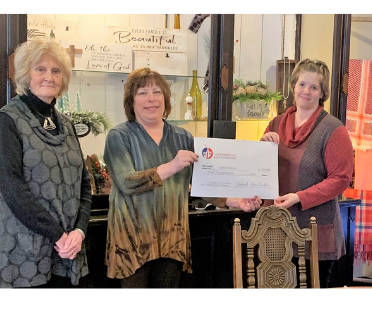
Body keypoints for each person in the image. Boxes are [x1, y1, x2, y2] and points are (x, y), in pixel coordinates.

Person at [103, 67, 261, 289]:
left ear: (166, 99)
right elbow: (126, 182)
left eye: (157, 92)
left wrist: (235, 201)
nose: (151, 99)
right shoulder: (119, 136)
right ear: (131, 101)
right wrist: (172, 166)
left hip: (172, 239)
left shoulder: (182, 137)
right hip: (133, 241)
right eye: (142, 93)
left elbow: (202, 183)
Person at [0, 38, 92, 289]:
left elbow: (84, 184)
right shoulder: (8, 120)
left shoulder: (67, 124)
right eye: (40, 69)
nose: (49, 76)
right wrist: (59, 235)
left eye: (56, 70)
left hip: (68, 251)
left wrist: (79, 232)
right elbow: (12, 189)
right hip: (25, 252)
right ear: (24, 75)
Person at [260, 58, 354, 288]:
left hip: (313, 234)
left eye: (314, 87)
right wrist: (262, 146)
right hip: (275, 231)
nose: (306, 91)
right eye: (302, 84)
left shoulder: (334, 129)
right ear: (293, 86)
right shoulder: (275, 124)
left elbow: (341, 178)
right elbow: (260, 169)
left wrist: (299, 197)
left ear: (322, 93)